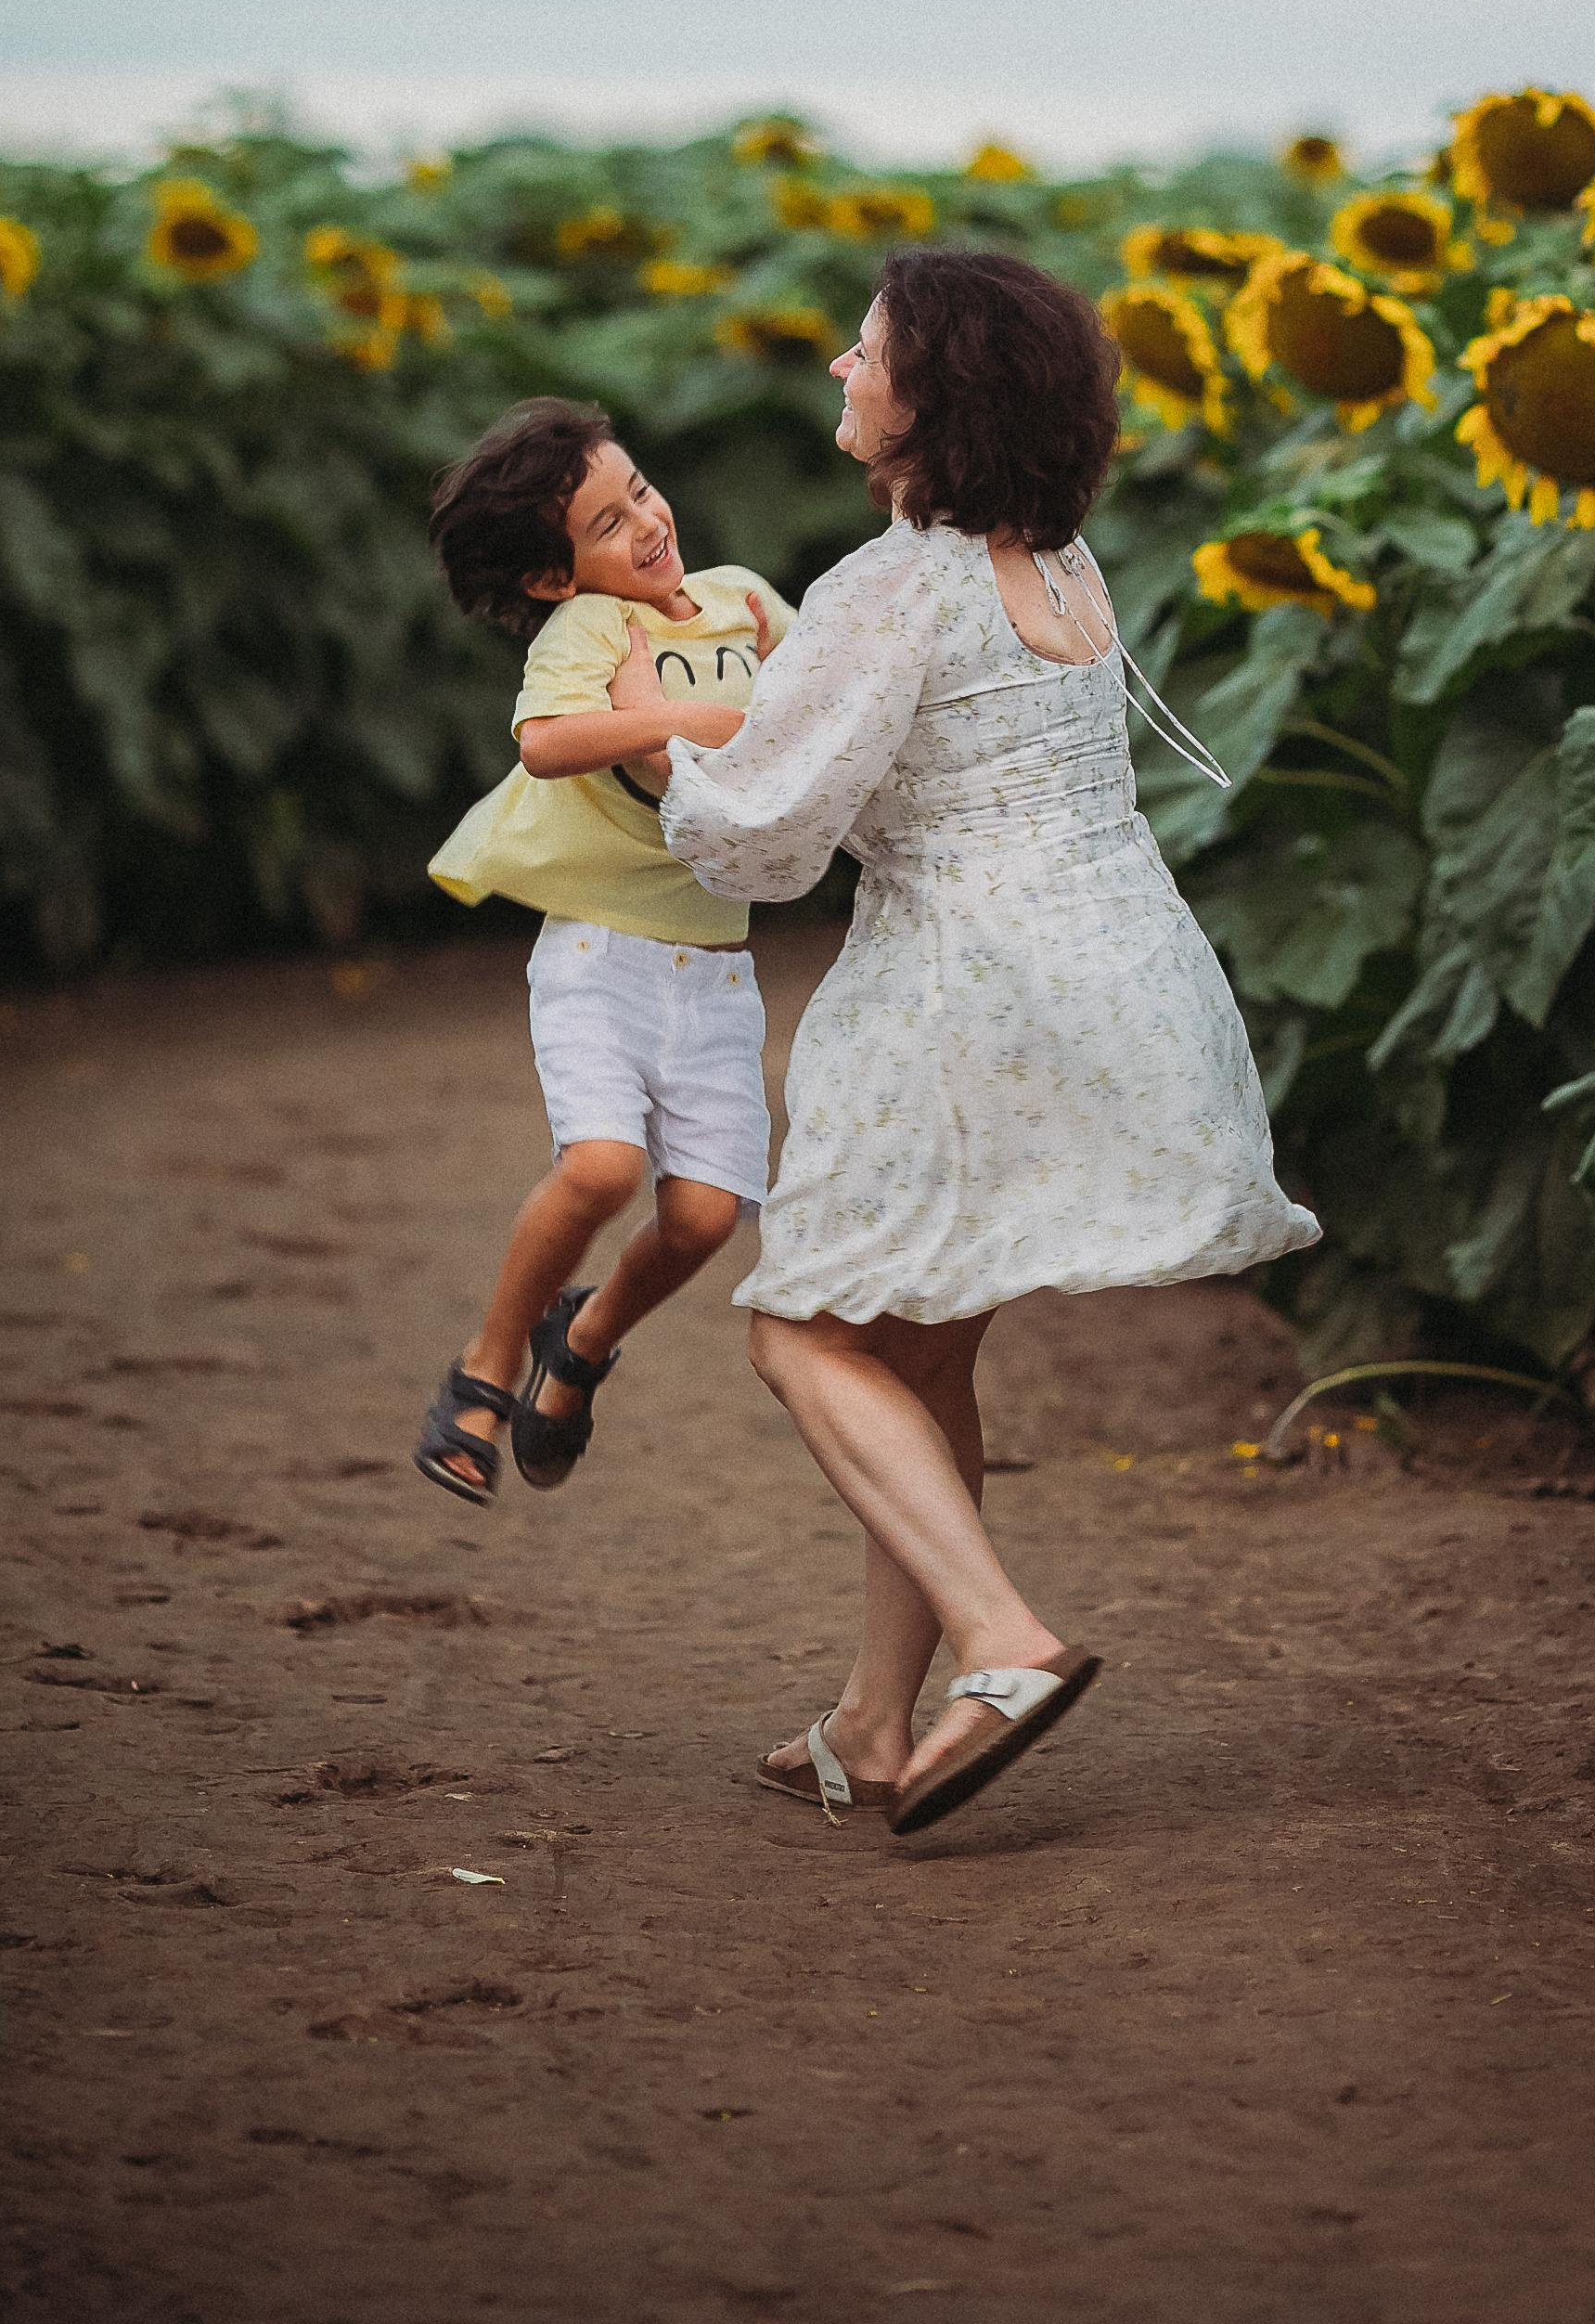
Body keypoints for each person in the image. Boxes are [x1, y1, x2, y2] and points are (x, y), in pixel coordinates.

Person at [612, 252, 1319, 1835]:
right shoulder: (1065, 564)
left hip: (959, 997)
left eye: (862, 354)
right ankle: (871, 1722)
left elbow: (773, 836)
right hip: (1120, 980)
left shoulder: (892, 584)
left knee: (798, 1336)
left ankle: (1003, 1648)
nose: (839, 376)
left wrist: (660, 742)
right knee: (923, 1348)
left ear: (933, 395)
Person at [411, 397, 788, 1505]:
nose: (645, 525)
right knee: (602, 1168)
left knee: (707, 1217)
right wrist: (679, 725)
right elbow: (544, 744)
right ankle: (483, 1366)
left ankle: (578, 1344)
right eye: (606, 526)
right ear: (549, 580)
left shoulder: (745, 603)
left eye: (640, 493)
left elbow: (824, 702)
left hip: (716, 964)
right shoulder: (589, 631)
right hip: (599, 958)